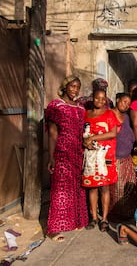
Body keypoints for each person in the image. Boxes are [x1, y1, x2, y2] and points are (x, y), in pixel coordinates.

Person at [45, 75, 88, 242]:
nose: (75, 90)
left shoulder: (79, 108)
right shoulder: (56, 106)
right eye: (72, 86)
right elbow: (53, 133)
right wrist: (51, 157)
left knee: (76, 188)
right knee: (60, 189)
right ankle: (53, 229)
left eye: (77, 87)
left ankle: (75, 221)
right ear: (65, 87)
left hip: (77, 152)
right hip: (62, 153)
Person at [82, 89, 119, 232]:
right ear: (93, 98)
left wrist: (92, 138)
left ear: (106, 101)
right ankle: (93, 217)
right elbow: (82, 132)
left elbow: (112, 133)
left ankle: (104, 218)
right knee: (92, 187)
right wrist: (85, 141)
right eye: (97, 98)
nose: (100, 101)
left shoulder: (110, 114)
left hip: (105, 156)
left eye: (103, 99)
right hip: (90, 156)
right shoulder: (86, 114)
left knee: (104, 187)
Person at [109, 93, 137, 221]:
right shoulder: (109, 115)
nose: (126, 105)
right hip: (115, 158)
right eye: (124, 101)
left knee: (129, 186)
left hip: (127, 157)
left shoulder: (126, 117)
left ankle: (126, 213)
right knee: (117, 189)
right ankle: (114, 214)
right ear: (117, 100)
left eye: (128, 103)